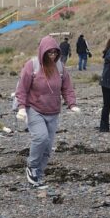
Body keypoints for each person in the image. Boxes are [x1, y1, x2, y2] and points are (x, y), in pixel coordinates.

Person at [15, 36, 79, 189]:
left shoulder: (60, 67)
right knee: (41, 138)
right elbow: (22, 88)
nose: (52, 56)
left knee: (48, 146)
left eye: (55, 53)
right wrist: (22, 107)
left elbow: (67, 88)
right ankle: (31, 166)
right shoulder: (32, 66)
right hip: (34, 109)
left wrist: (72, 104)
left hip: (53, 111)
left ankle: (39, 174)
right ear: (42, 52)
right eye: (49, 53)